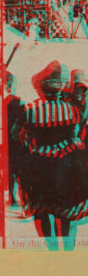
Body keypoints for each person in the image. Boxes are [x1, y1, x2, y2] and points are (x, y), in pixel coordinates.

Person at [19, 61, 88, 250]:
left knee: (43, 211)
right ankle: (68, 252)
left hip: (41, 166)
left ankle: (52, 251)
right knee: (66, 212)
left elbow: (22, 138)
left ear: (42, 89)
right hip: (67, 166)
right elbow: (75, 136)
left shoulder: (31, 110)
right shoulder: (72, 111)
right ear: (61, 88)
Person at [4, 72, 25, 206]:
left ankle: (11, 197)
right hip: (15, 142)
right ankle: (13, 197)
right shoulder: (19, 102)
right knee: (16, 170)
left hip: (7, 141)